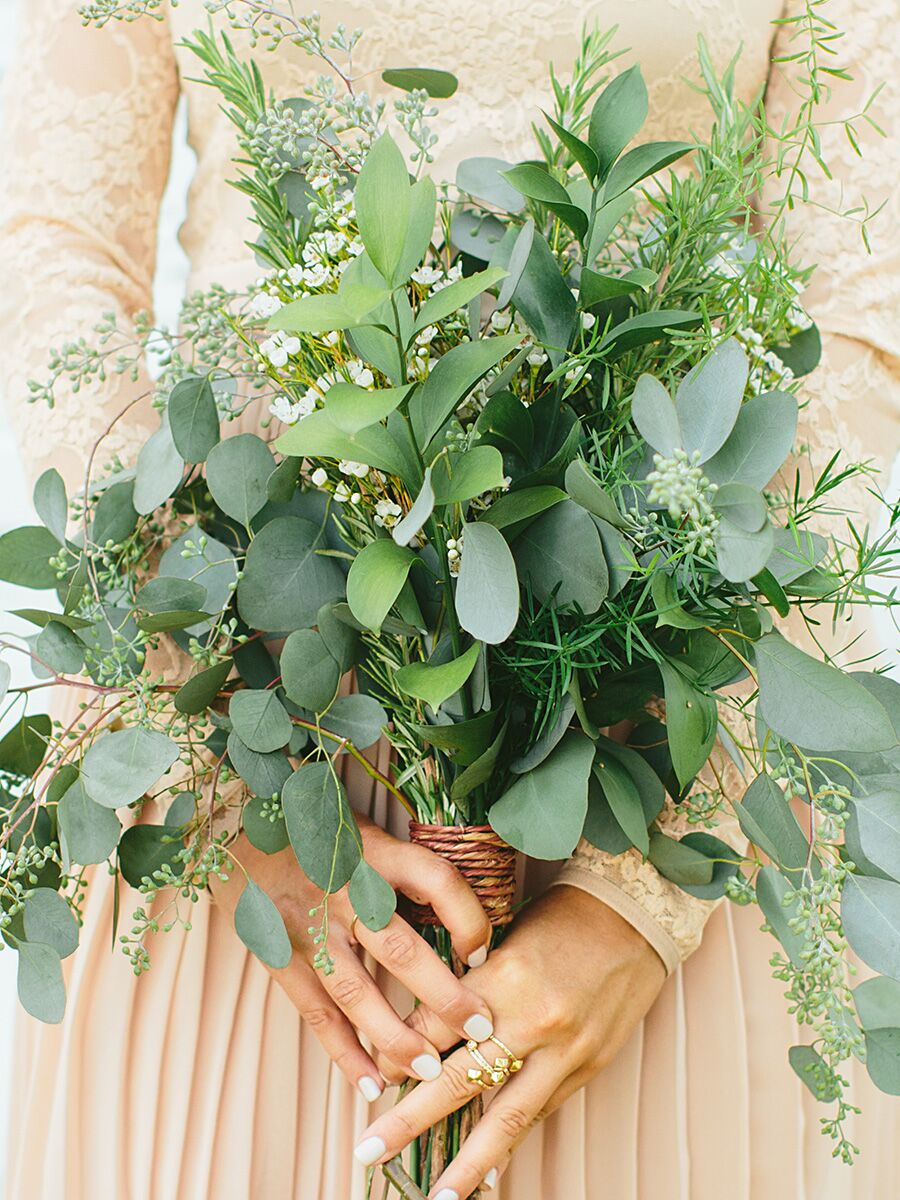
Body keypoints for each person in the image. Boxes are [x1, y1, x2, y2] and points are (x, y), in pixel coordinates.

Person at [0, 1, 897, 1197]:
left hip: (661, 755)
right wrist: (214, 767)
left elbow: (851, 327)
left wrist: (649, 889)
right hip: (251, 758)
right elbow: (53, 257)